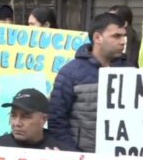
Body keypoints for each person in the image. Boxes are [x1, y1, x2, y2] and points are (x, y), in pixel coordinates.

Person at [48, 13, 134, 152]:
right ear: (97, 37)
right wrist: (75, 157)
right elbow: (57, 121)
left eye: (124, 36)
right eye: (116, 36)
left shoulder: (131, 71)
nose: (123, 41)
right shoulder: (70, 73)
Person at [0, 88, 75, 151]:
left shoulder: (63, 154)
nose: (17, 123)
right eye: (13, 115)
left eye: (25, 116)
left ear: (43, 119)